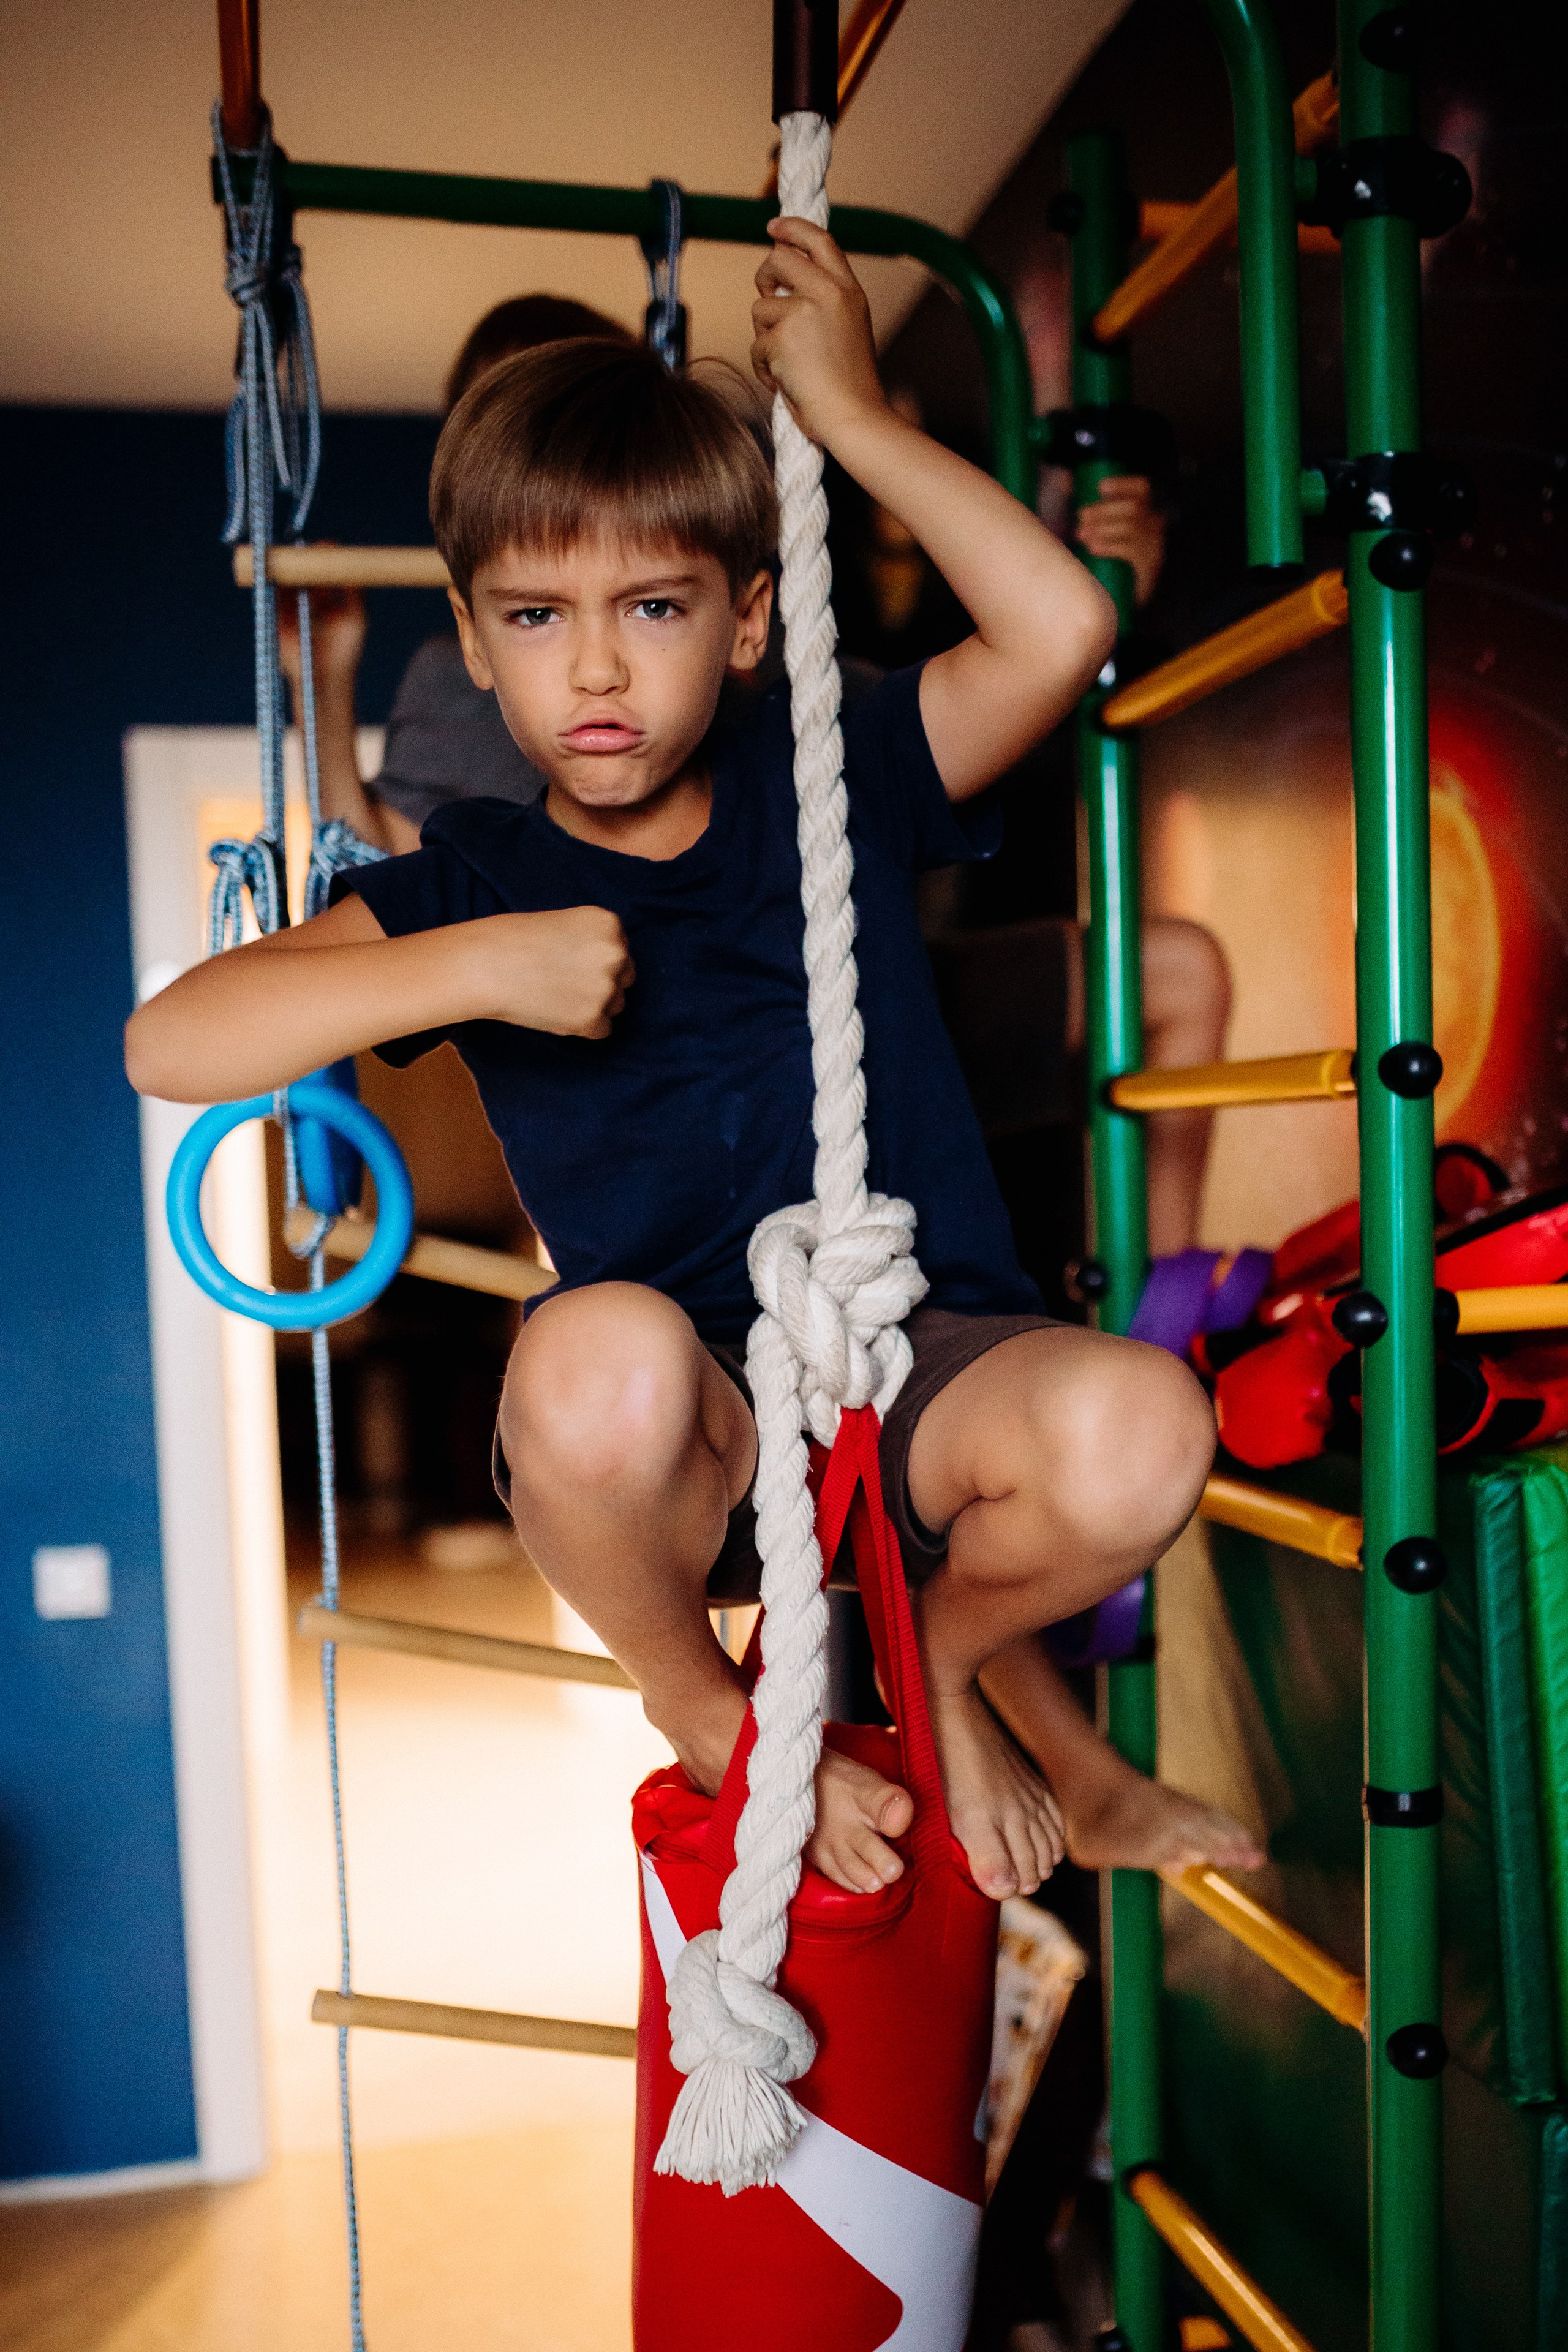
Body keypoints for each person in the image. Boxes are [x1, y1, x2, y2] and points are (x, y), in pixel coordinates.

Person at [131, 217, 1256, 1896]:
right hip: (692, 1453)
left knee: (1145, 1428)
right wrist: (479, 961)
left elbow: (1058, 628)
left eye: (652, 606)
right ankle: (707, 1707)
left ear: (742, 622)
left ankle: (943, 1659)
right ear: (476, 641)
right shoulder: (478, 879)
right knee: (592, 1354)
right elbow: (170, 1042)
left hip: (922, 1373)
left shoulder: (830, 767)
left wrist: (851, 416)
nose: (594, 665)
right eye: (535, 615)